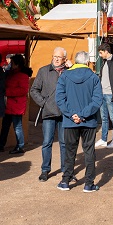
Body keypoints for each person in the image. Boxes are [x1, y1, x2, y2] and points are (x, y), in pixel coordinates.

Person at [55, 51, 104, 192]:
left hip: (70, 122)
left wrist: (72, 115)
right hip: (88, 121)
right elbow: (97, 100)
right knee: (89, 151)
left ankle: (65, 180)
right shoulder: (93, 77)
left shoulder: (64, 76)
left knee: (69, 151)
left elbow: (60, 99)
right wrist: (82, 115)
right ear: (88, 62)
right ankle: (89, 183)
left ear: (75, 62)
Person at [29, 47, 68, 182]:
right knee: (47, 142)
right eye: (54, 56)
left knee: (64, 143)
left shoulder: (69, 72)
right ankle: (45, 170)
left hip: (64, 113)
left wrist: (73, 67)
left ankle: (65, 170)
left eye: (59, 57)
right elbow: (34, 90)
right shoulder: (44, 71)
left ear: (65, 59)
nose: (56, 59)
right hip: (48, 112)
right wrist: (43, 103)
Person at [0, 54, 31, 155]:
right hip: (10, 104)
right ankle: (1, 145)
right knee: (5, 125)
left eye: (12, 63)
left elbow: (23, 90)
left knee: (17, 126)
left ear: (17, 64)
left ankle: (20, 145)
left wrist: (7, 92)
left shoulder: (22, 75)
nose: (10, 64)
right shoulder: (11, 73)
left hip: (16, 105)